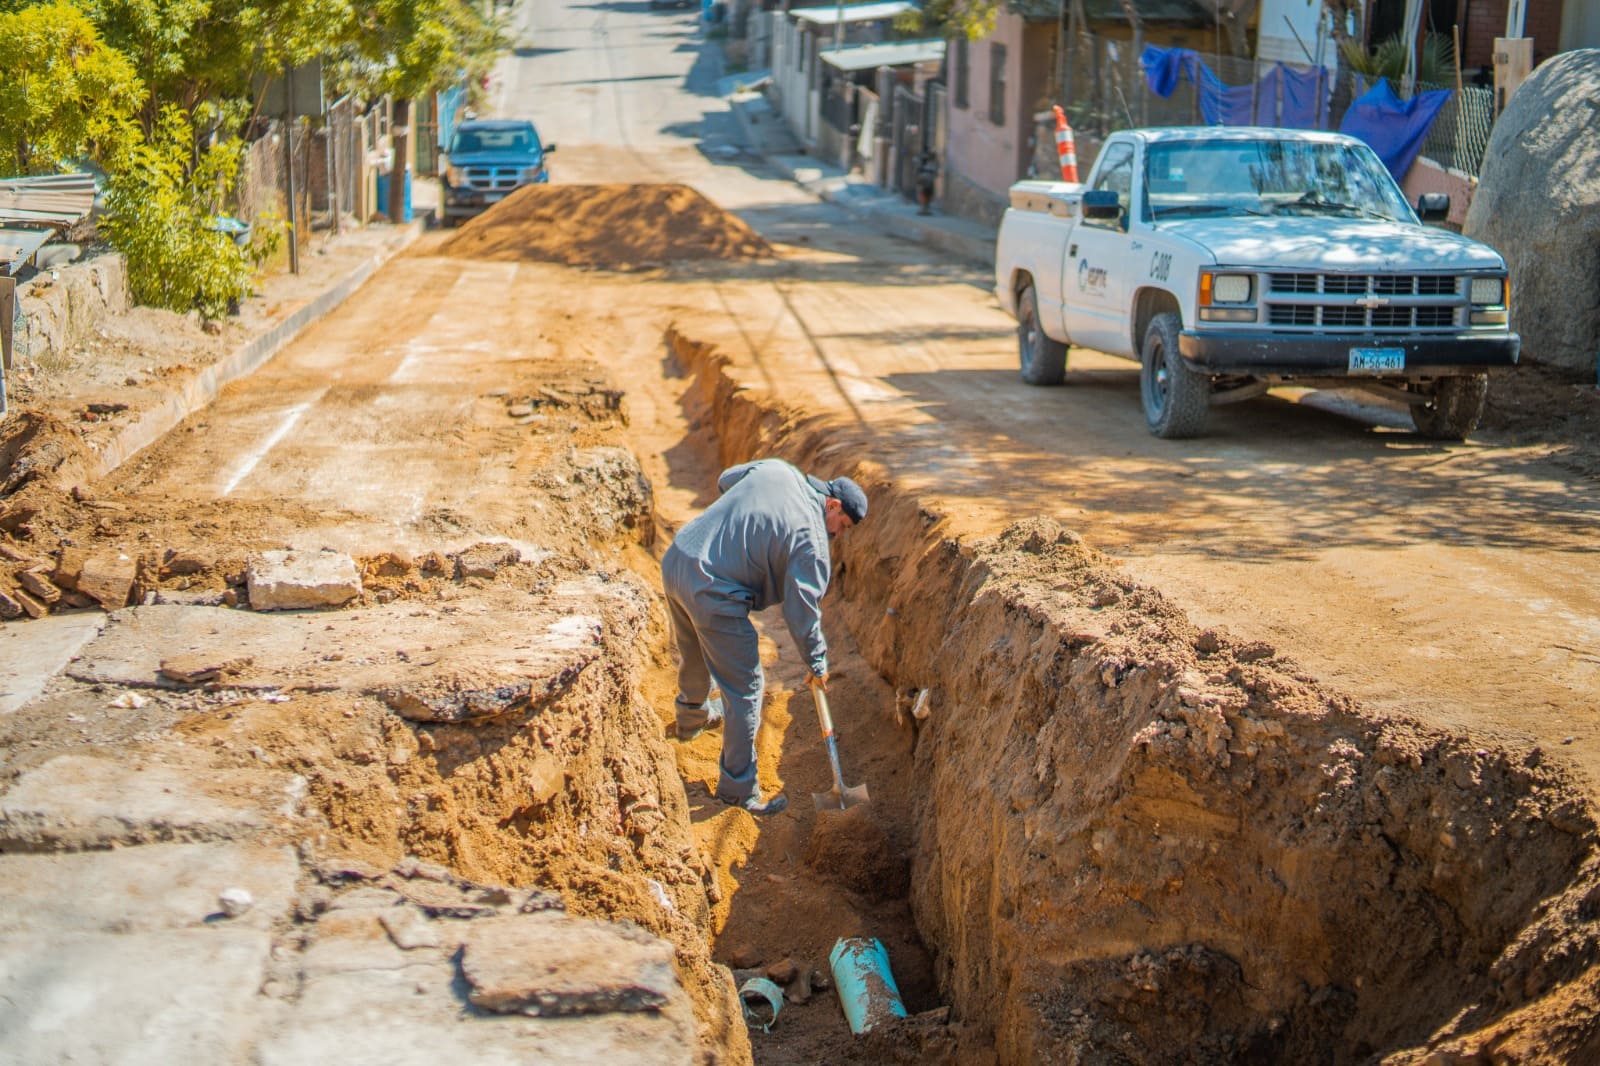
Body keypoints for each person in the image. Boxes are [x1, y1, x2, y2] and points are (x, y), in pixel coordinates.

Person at [660, 458, 868, 816]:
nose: (838, 534)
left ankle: (691, 717)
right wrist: (817, 662)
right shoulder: (813, 541)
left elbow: (727, 479)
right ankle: (738, 790)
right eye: (842, 526)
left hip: (679, 557)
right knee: (747, 687)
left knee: (695, 648)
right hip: (714, 590)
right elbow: (802, 613)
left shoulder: (778, 469)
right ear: (832, 506)